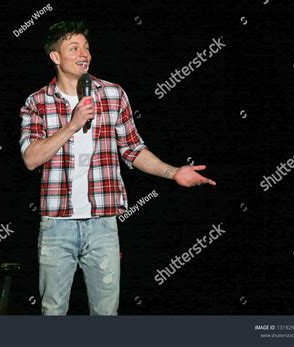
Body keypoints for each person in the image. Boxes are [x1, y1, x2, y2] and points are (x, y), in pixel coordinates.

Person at [19, 21, 216, 315]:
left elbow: (133, 149)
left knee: (106, 313)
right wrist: (72, 125)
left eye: (86, 47)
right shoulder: (37, 102)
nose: (84, 53)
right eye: (74, 48)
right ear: (55, 57)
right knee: (53, 311)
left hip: (103, 225)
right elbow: (31, 158)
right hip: (56, 225)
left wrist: (173, 172)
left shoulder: (112, 94)